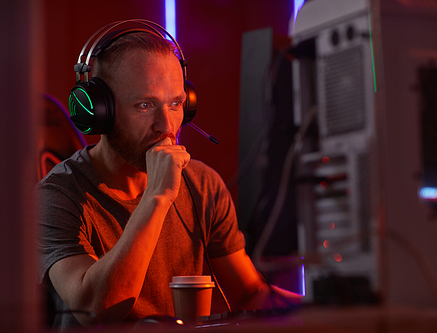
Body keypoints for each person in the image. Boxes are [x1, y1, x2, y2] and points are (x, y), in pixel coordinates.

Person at [37, 25, 302, 329]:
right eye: (145, 105)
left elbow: (250, 295)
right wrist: (157, 197)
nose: (166, 125)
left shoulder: (203, 185)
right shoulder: (56, 196)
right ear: (100, 111)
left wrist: (335, 305)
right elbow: (96, 310)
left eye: (176, 103)